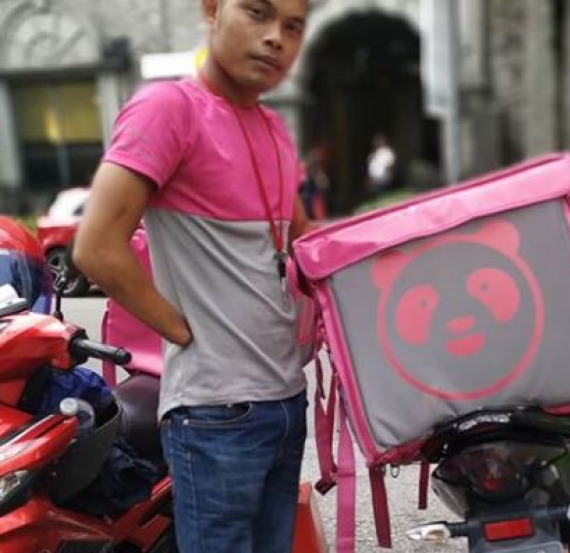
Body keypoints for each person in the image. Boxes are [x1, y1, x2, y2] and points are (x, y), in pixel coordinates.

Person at [73, 0, 315, 551]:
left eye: (293, 26)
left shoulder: (273, 129)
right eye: (257, 12)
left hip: (285, 401)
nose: (276, 38)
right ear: (212, 9)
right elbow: (96, 247)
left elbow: (307, 246)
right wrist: (183, 332)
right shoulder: (169, 109)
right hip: (216, 412)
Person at [366, 132, 396, 197]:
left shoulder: (387, 152)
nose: (377, 143)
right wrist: (369, 180)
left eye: (379, 141)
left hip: (384, 181)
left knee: (383, 197)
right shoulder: (372, 154)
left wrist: (389, 178)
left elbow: (390, 165)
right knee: (375, 198)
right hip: (373, 181)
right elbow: (370, 169)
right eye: (376, 141)